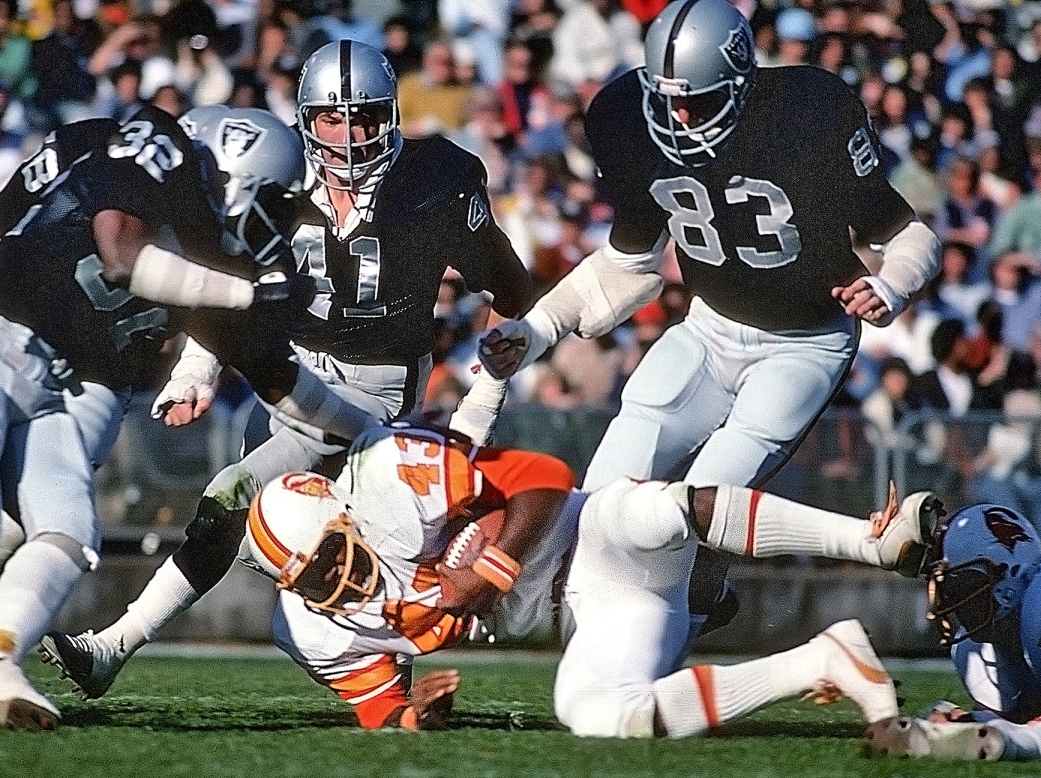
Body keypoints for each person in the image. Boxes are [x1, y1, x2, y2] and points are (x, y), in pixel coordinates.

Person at [0, 105, 375, 729]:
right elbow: (107, 255)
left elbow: (280, 382)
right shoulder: (139, 156)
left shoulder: (217, 263)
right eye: (273, 202)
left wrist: (375, 435)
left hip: (67, 383)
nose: (277, 227)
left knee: (47, 535)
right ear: (233, 175)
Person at [37, 39, 530, 702]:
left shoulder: (436, 180)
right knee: (266, 544)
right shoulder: (279, 179)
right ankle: (390, 644)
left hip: (376, 388)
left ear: (391, 115)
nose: (348, 139)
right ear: (305, 120)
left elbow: (512, 292)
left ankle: (112, 647)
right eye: (331, 119)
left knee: (231, 498)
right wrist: (197, 367)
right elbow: (229, 284)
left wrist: (482, 404)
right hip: (288, 379)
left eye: (364, 118)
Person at [478, 0, 941, 634]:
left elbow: (908, 234)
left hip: (802, 342)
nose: (679, 116)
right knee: (600, 500)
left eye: (696, 100)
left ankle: (683, 621)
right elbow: (626, 265)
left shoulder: (806, 114)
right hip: (708, 325)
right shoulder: (627, 117)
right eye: (667, 99)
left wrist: (891, 286)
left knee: (702, 509)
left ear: (741, 83)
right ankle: (603, 634)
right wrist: (535, 331)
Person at [100, 424, 935, 733]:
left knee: (654, 509)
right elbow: (382, 710)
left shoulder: (390, 474)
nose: (334, 584)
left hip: (590, 539)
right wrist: (417, 716)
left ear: (343, 516)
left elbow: (543, 476)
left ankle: (874, 540)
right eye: (308, 579)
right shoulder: (308, 625)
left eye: (329, 556)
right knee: (596, 716)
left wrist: (485, 574)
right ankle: (823, 659)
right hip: (588, 619)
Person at [865, 502, 1041, 761]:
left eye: (961, 587)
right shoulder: (975, 650)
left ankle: (1023, 743)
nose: (950, 602)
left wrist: (1020, 738)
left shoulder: (1037, 604)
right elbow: (1022, 713)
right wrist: (974, 720)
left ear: (1007, 574)